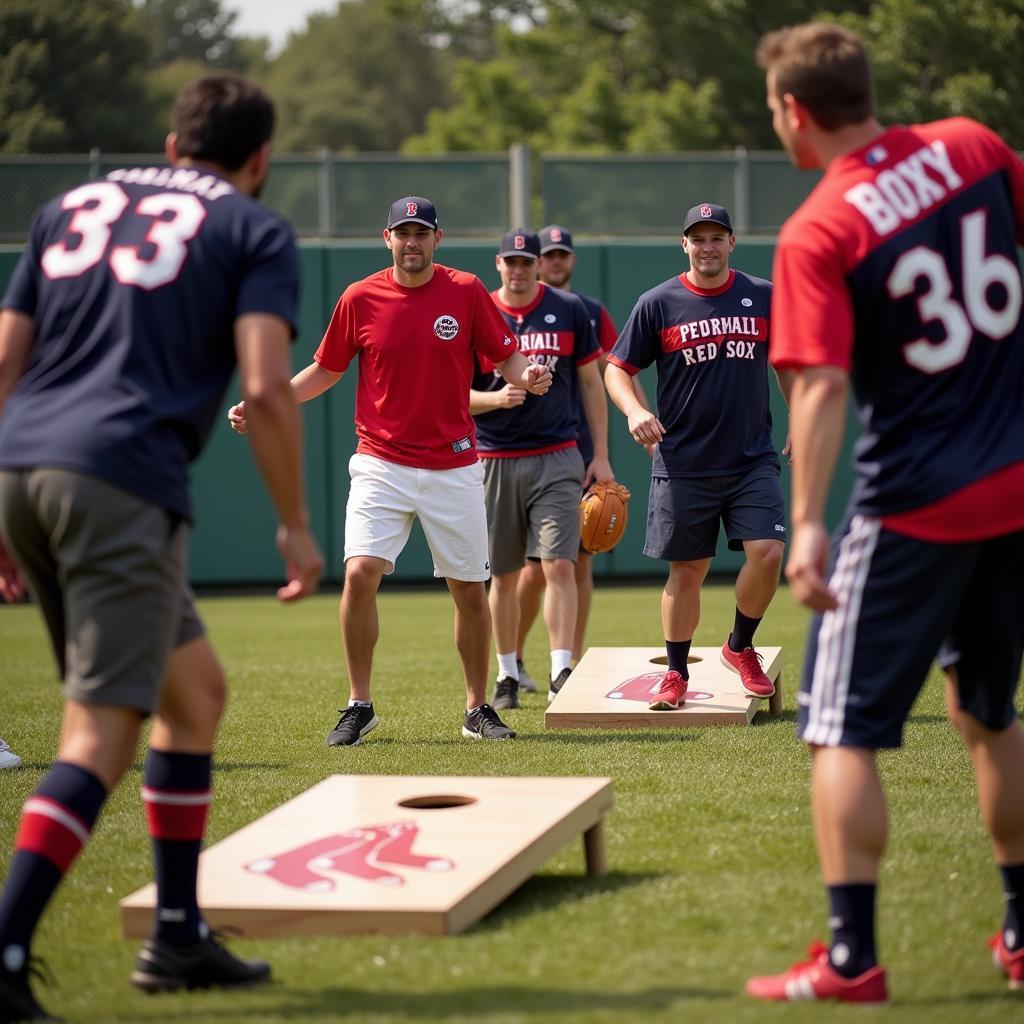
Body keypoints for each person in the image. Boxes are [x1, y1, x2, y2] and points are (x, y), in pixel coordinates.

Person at [0, 74, 323, 1022]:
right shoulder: (254, 227)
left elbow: (6, 358)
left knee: (196, 696)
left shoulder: (69, 203)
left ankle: (177, 934)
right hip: (120, 479)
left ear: (173, 142)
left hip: (24, 467)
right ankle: (8, 946)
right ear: (259, 158)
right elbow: (266, 390)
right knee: (99, 735)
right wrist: (296, 524)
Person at [744, 22, 1024, 1005]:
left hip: (913, 503)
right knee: (988, 713)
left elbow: (818, 388)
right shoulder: (972, 144)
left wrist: (808, 522)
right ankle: (1021, 933)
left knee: (840, 730)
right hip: (1015, 486)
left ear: (792, 111)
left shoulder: (819, 227)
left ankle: (850, 959)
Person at [229, 199, 552, 747]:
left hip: (454, 463)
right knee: (359, 573)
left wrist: (531, 372)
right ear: (387, 238)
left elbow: (506, 358)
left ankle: (477, 709)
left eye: (421, 233)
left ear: (436, 238)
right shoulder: (360, 296)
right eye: (403, 233)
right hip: (381, 462)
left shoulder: (467, 289)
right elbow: (327, 370)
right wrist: (269, 401)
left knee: (471, 593)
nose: (412, 242)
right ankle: (360, 705)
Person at [605, 204, 789, 713]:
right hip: (685, 461)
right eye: (697, 238)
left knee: (768, 553)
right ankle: (676, 673)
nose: (707, 246)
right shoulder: (658, 302)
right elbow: (616, 369)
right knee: (687, 570)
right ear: (683, 244)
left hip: (751, 457)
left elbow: (789, 364)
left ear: (732, 243)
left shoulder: (762, 296)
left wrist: (800, 420)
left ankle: (739, 645)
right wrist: (634, 411)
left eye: (717, 237)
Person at [469, 229, 614, 710]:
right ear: (498, 264)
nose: (519, 269)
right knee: (506, 575)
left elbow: (593, 384)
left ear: (537, 266)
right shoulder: (479, 309)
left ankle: (561, 669)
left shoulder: (570, 308)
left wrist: (601, 455)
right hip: (494, 457)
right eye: (511, 261)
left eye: (526, 262)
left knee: (560, 563)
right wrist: (495, 398)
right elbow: (452, 394)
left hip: (558, 452)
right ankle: (507, 674)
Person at [512, 225, 650, 688]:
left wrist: (641, 418)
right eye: (546, 255)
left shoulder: (587, 311)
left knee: (576, 558)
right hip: (518, 446)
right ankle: (515, 661)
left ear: (570, 260)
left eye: (560, 255)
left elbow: (617, 370)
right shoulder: (506, 309)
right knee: (531, 570)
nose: (553, 262)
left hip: (579, 448)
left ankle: (568, 660)